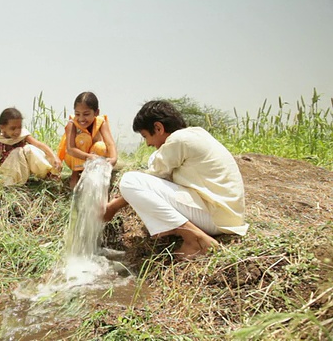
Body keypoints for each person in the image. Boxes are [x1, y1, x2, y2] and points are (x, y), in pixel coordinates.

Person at [104, 100, 248, 260]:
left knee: (129, 180)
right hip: (227, 216)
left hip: (215, 218)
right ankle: (184, 231)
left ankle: (194, 239)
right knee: (153, 158)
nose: (148, 143)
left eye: (145, 136)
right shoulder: (195, 134)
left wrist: (115, 206)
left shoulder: (178, 140)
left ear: (158, 128)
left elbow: (153, 176)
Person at [57, 91, 118, 189]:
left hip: (93, 156)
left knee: (101, 146)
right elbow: (70, 149)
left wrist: (114, 159)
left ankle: (94, 172)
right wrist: (88, 157)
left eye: (86, 114)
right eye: (77, 114)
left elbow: (110, 144)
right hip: (74, 157)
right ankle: (75, 174)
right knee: (83, 139)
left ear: (96, 112)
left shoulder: (101, 122)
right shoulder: (72, 124)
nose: (81, 118)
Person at [0, 107, 62, 185]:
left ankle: (48, 174)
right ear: (2, 128)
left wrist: (54, 157)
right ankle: (12, 184)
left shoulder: (23, 136)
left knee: (29, 148)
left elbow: (39, 145)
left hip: (25, 169)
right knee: (16, 152)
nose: (17, 131)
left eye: (19, 127)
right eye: (13, 128)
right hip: (10, 172)